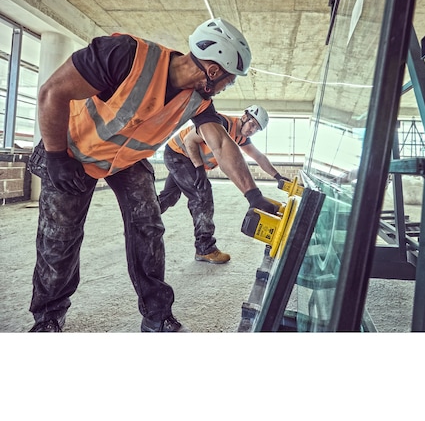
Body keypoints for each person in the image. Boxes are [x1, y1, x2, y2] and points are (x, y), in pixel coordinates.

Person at [27, 17, 277, 333]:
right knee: (60, 236)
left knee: (148, 228)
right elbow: (52, 92)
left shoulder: (199, 100)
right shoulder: (123, 54)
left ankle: (157, 316)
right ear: (213, 71)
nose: (229, 84)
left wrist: (253, 195)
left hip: (127, 160)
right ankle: (49, 316)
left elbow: (221, 143)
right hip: (72, 152)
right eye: (231, 78)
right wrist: (55, 156)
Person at [159, 104, 291, 264]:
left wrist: (278, 176)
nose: (252, 130)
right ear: (244, 116)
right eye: (252, 124)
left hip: (184, 158)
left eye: (256, 129)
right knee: (202, 195)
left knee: (168, 197)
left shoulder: (241, 137)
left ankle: (140, 222)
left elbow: (259, 157)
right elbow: (189, 141)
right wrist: (199, 168)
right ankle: (205, 249)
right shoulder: (220, 123)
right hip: (178, 154)